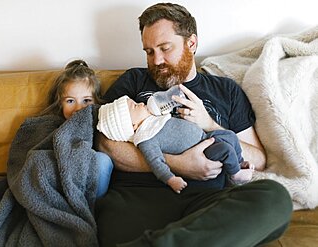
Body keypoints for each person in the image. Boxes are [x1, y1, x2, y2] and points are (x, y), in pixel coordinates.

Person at [95, 3, 292, 246]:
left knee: (274, 198)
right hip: (138, 198)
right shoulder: (133, 82)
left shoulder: (225, 90)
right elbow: (104, 144)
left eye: (165, 48)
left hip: (206, 204)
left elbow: (258, 159)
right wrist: (178, 164)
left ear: (191, 43)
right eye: (148, 51)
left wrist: (210, 124)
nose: (156, 60)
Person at [97, 94, 253, 193]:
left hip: (205, 137)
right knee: (225, 150)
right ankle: (235, 175)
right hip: (204, 152)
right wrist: (171, 179)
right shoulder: (145, 138)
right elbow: (155, 162)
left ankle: (238, 163)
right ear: (132, 126)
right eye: (134, 106)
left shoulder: (153, 119)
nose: (139, 103)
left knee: (230, 135)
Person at [41, 59, 113, 198]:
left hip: (87, 184)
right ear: (60, 103)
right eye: (70, 101)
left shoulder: (101, 122)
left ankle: (86, 209)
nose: (78, 108)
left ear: (96, 101)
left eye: (86, 101)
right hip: (58, 183)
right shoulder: (51, 124)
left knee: (103, 160)